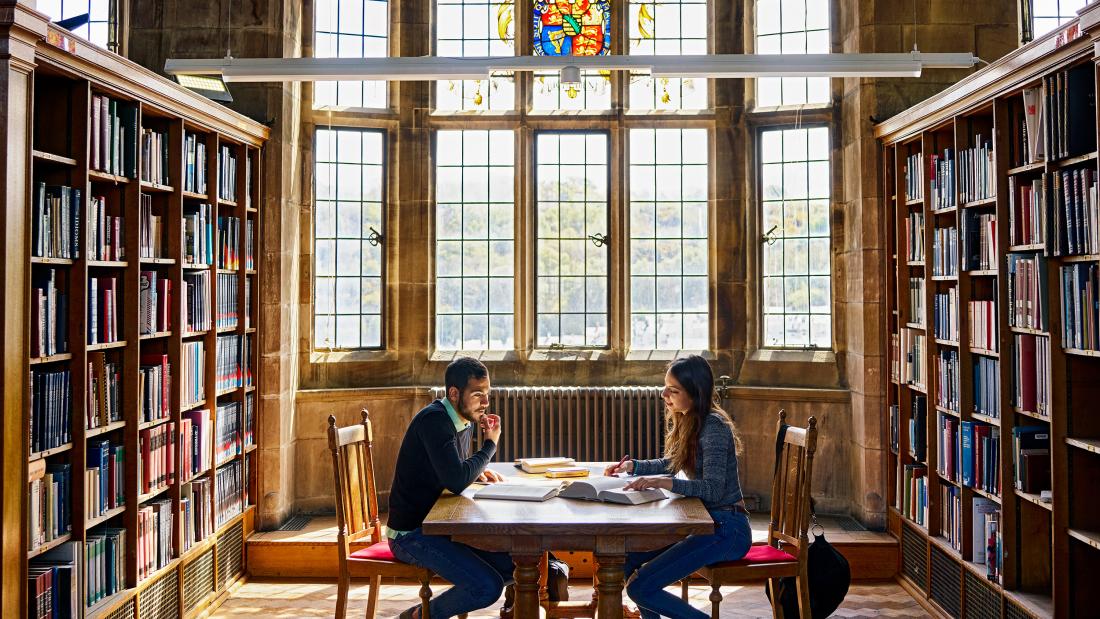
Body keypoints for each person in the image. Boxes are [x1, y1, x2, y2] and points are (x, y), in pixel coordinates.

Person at [603, 355, 752, 619]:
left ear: (696, 393)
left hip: (728, 529)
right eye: (665, 387)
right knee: (629, 561)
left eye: (673, 390)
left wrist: (663, 482)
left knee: (641, 587)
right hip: (707, 524)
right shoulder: (691, 419)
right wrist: (633, 467)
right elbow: (672, 462)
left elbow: (714, 490)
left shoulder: (714, 426)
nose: (664, 395)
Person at [388, 357, 512, 619]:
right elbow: (455, 480)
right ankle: (417, 616)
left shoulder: (459, 420)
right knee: (486, 587)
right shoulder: (434, 421)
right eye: (478, 394)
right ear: (454, 393)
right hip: (410, 535)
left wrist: (474, 472)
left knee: (516, 564)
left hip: (439, 526)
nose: (486, 403)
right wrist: (489, 446)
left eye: (487, 394)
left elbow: (452, 472)